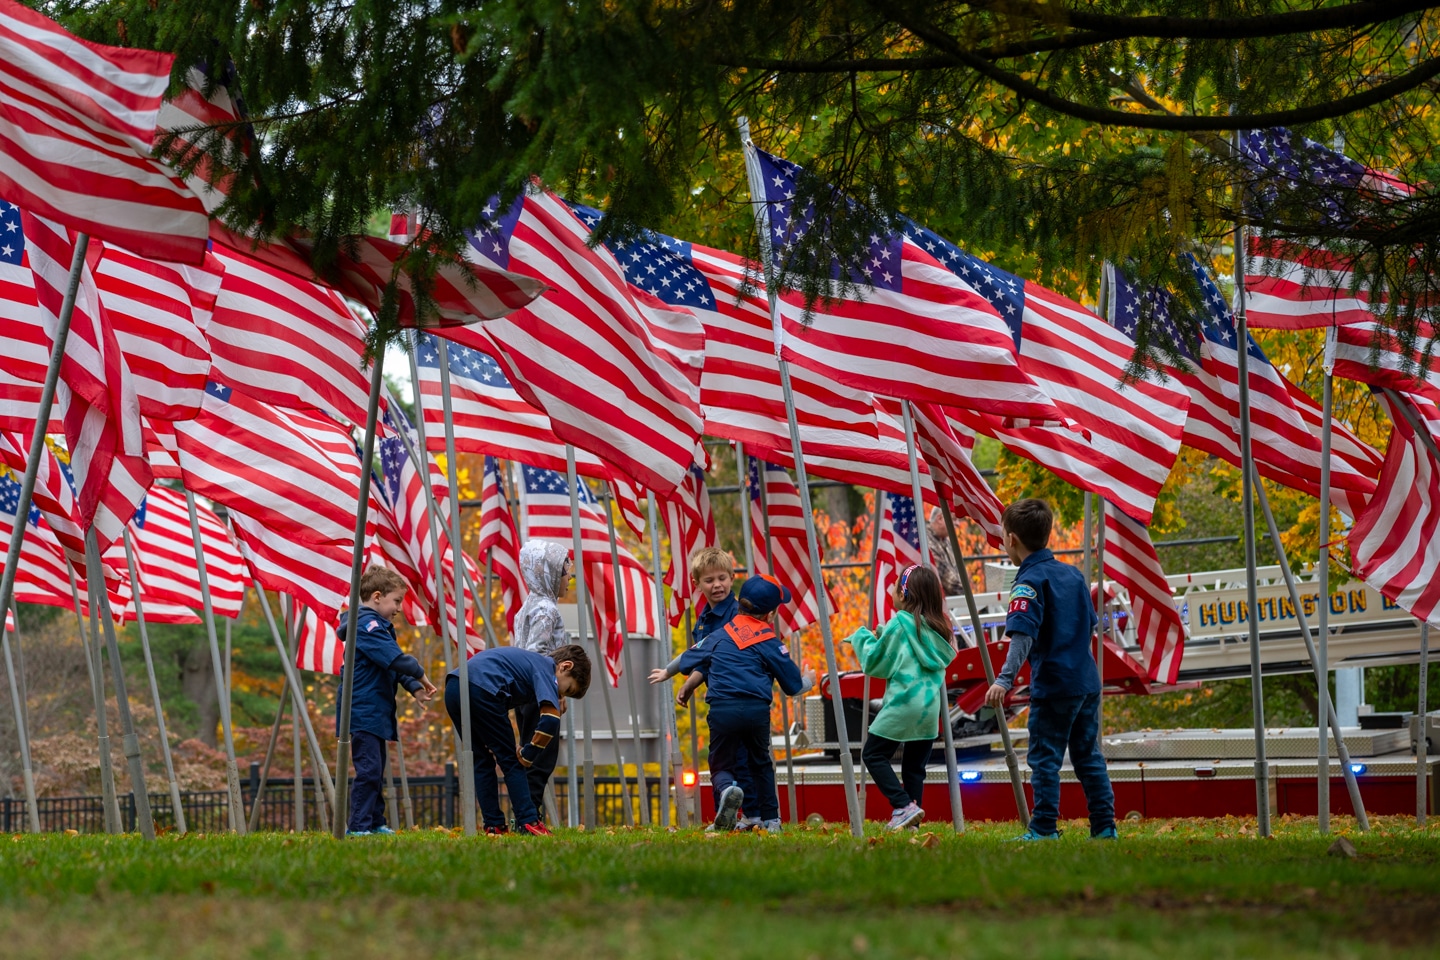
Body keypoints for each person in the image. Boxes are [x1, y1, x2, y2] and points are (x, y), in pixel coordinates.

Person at [984, 498, 1116, 841]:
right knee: (1089, 757)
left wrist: (1003, 679)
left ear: (1012, 539)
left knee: (1044, 760)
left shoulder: (1027, 583)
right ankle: (1104, 828)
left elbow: (1022, 635)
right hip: (1087, 682)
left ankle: (1043, 829)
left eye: (1002, 535)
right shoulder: (1072, 575)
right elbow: (1091, 624)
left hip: (1054, 687)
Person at [673, 574, 812, 833]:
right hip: (757, 711)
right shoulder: (771, 643)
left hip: (722, 709)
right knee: (760, 763)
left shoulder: (718, 636)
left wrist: (671, 676)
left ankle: (728, 790)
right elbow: (793, 687)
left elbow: (688, 658)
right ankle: (770, 820)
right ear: (770, 615)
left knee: (721, 764)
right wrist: (810, 680)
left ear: (739, 604)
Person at [647, 547, 762, 829]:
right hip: (722, 701)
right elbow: (706, 658)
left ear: (732, 578)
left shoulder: (738, 616)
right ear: (697, 584)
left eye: (722, 578)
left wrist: (677, 674)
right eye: (709, 580)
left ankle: (753, 814)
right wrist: (688, 684)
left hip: (741, 697)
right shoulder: (704, 620)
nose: (717, 585)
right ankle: (737, 811)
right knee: (725, 757)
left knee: (742, 759)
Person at [845, 564, 956, 831]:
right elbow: (910, 651)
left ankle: (902, 805)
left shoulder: (899, 623)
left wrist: (862, 638)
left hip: (902, 705)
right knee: (914, 769)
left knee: (872, 755)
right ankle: (911, 821)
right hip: (929, 711)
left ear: (905, 595)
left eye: (895, 586)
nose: (891, 590)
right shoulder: (939, 629)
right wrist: (886, 636)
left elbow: (875, 662)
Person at [446, 643, 592, 836]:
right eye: (568, 690)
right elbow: (550, 720)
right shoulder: (545, 668)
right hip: (484, 689)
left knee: (481, 759)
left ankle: (493, 825)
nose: (561, 695)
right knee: (512, 761)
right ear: (565, 666)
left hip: (454, 686)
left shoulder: (530, 662)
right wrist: (527, 754)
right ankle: (529, 821)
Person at [337, 566, 437, 836]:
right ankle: (358, 827)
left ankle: (375, 821)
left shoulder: (376, 626)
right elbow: (395, 659)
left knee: (376, 769)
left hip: (375, 710)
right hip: (363, 708)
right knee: (369, 770)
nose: (399, 608)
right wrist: (420, 673)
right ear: (378, 596)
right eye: (397, 601)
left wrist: (413, 687)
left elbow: (388, 665)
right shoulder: (366, 626)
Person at [510, 540, 575, 820]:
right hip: (540, 694)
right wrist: (555, 692)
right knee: (542, 757)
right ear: (547, 573)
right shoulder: (547, 609)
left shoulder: (525, 608)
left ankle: (524, 813)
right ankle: (529, 816)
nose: (569, 577)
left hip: (524, 695)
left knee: (529, 751)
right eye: (565, 572)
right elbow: (536, 654)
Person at [926, 507, 965, 596]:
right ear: (939, 518)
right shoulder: (925, 541)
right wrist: (970, 598)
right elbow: (948, 580)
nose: (958, 524)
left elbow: (958, 573)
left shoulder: (946, 541)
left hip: (954, 602)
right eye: (954, 519)